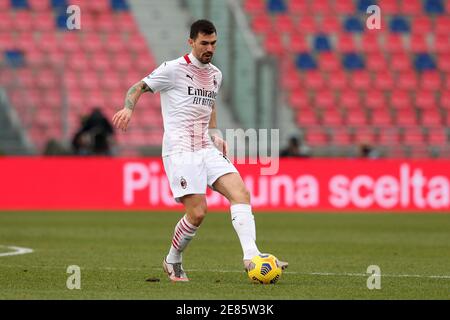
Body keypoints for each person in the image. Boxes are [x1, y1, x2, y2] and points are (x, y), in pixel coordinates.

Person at [112, 19, 288, 282]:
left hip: (205, 146)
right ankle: (172, 259)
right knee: (197, 213)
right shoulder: (172, 69)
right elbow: (137, 87)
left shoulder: (215, 74)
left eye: (213, 43)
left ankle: (251, 256)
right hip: (181, 149)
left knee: (241, 192)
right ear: (191, 42)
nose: (209, 48)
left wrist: (215, 134)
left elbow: (211, 102)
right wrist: (128, 108)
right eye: (204, 43)